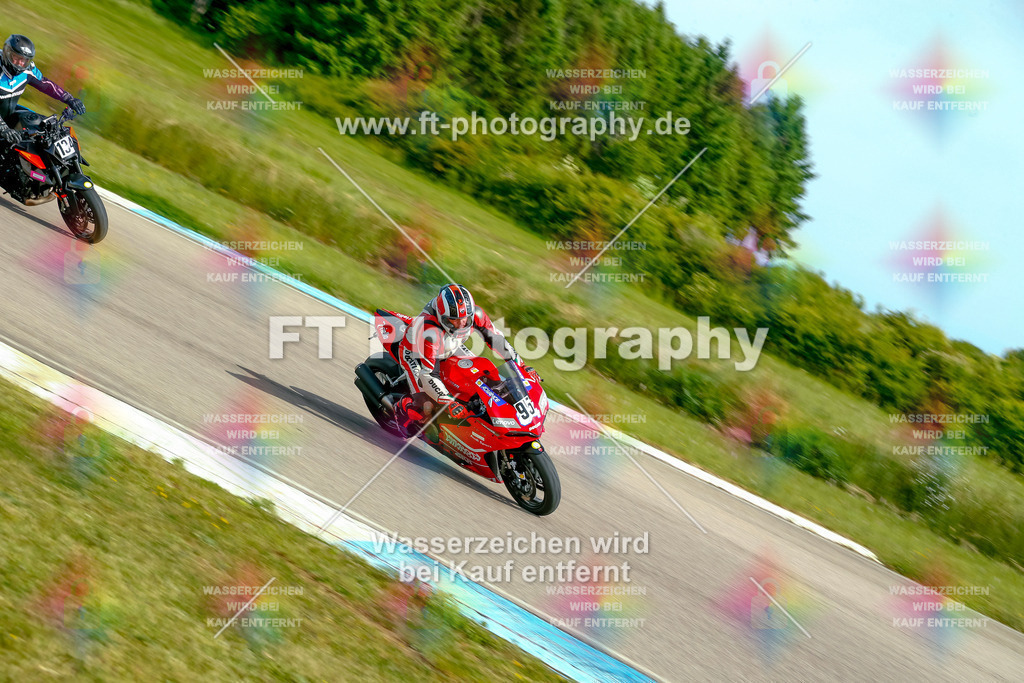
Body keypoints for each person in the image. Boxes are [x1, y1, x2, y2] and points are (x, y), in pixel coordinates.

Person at [394, 283, 521, 438]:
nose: (462, 324)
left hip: (450, 345)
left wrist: (520, 366)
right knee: (425, 406)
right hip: (415, 353)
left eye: (465, 319)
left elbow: (498, 341)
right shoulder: (430, 331)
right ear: (443, 317)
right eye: (455, 320)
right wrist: (449, 403)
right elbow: (428, 375)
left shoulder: (475, 314)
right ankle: (401, 409)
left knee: (482, 373)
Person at [0, 34, 86, 146]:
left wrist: (69, 98)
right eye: (16, 58)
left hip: (8, 116)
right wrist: (2, 127)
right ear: (7, 53)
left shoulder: (28, 70)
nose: (21, 64)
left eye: (25, 60)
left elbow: (46, 85)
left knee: (39, 126)